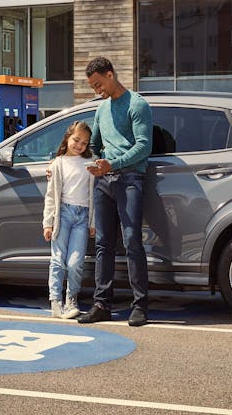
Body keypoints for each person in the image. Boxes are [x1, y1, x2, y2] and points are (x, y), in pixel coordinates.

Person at [77, 56, 153, 327]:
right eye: (93, 87)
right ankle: (101, 305)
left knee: (132, 240)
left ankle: (140, 306)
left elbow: (144, 146)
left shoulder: (137, 104)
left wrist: (115, 163)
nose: (97, 90)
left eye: (99, 84)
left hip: (130, 178)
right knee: (103, 245)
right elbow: (95, 143)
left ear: (110, 75)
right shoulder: (101, 109)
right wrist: (100, 161)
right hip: (103, 181)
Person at [42, 121, 96, 319]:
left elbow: (94, 197)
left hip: (82, 217)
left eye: (84, 142)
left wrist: (93, 222)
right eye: (76, 140)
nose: (79, 145)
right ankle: (55, 301)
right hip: (62, 215)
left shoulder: (91, 163)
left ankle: (71, 298)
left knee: (75, 262)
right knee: (57, 260)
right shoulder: (58, 164)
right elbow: (50, 195)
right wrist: (48, 222)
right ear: (67, 138)